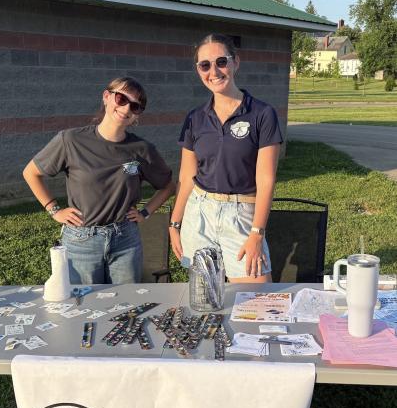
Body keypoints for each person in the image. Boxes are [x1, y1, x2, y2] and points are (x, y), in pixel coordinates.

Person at [23, 76, 175, 284]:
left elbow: (168, 186)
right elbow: (31, 173)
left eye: (135, 106)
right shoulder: (70, 140)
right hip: (80, 241)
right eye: (121, 99)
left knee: (126, 307)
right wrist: (54, 210)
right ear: (106, 97)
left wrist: (145, 212)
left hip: (125, 240)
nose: (126, 108)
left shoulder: (142, 149)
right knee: (83, 305)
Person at [169, 34, 282, 283]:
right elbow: (186, 177)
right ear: (198, 70)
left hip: (242, 216)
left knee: (255, 301)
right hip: (199, 214)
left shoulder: (262, 114)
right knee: (206, 301)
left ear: (236, 63)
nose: (214, 71)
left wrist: (256, 233)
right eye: (205, 65)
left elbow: (266, 180)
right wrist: (174, 223)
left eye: (221, 61)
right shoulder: (195, 118)